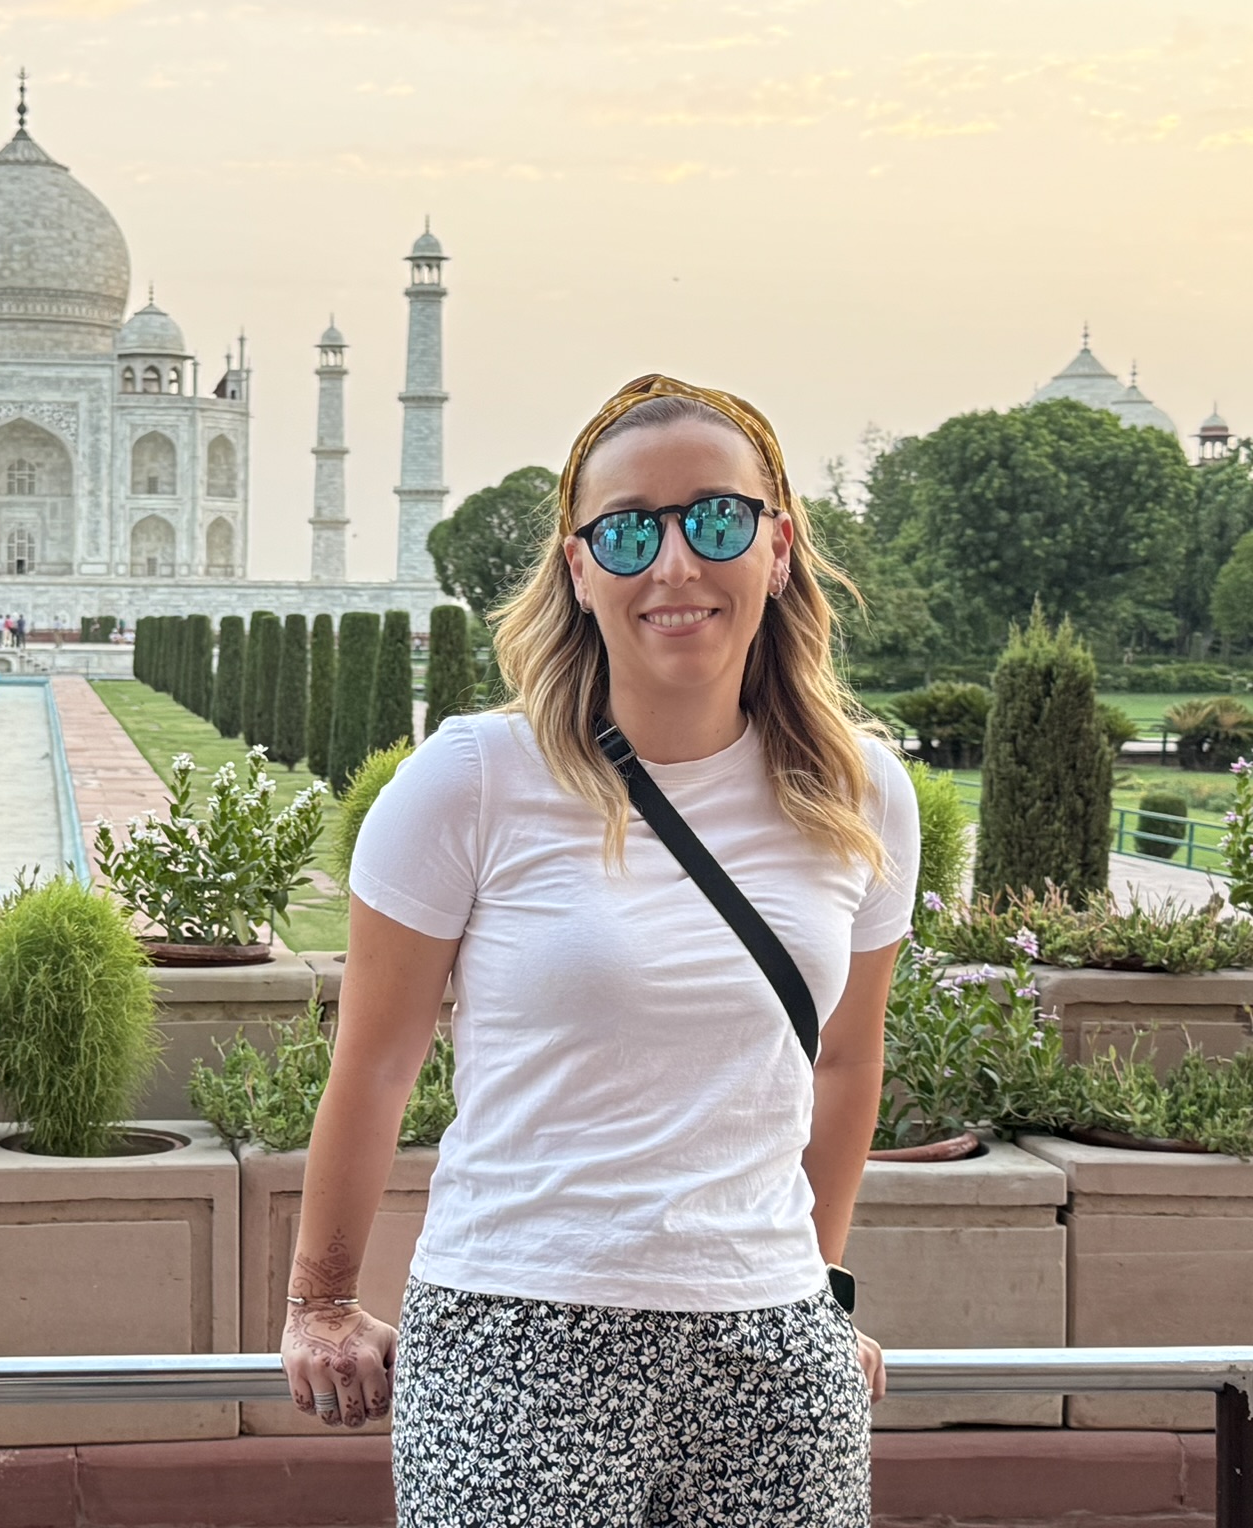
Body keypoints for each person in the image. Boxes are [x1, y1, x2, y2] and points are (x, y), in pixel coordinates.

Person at [281, 374, 917, 1526]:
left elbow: (843, 1060)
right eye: (627, 532)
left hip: (773, 1361)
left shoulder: (857, 792)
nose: (672, 565)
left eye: (714, 520)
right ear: (578, 568)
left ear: (776, 547)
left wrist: (813, 1291)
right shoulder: (472, 780)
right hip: (518, 1338)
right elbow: (374, 1065)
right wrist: (318, 1302)